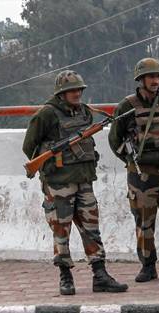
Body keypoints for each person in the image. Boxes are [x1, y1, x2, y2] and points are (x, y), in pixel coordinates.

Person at [22, 70, 128, 295]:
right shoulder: (46, 115)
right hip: (59, 183)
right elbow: (29, 147)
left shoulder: (85, 113)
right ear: (61, 93)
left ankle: (100, 275)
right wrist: (52, 156)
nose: (77, 93)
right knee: (61, 229)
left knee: (92, 227)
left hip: (84, 180)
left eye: (79, 89)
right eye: (72, 90)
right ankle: (65, 276)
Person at [108, 57, 159, 283]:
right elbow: (115, 139)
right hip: (141, 172)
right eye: (151, 76)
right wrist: (132, 159)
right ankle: (148, 265)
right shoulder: (127, 106)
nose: (155, 80)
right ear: (140, 79)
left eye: (158, 76)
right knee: (144, 220)